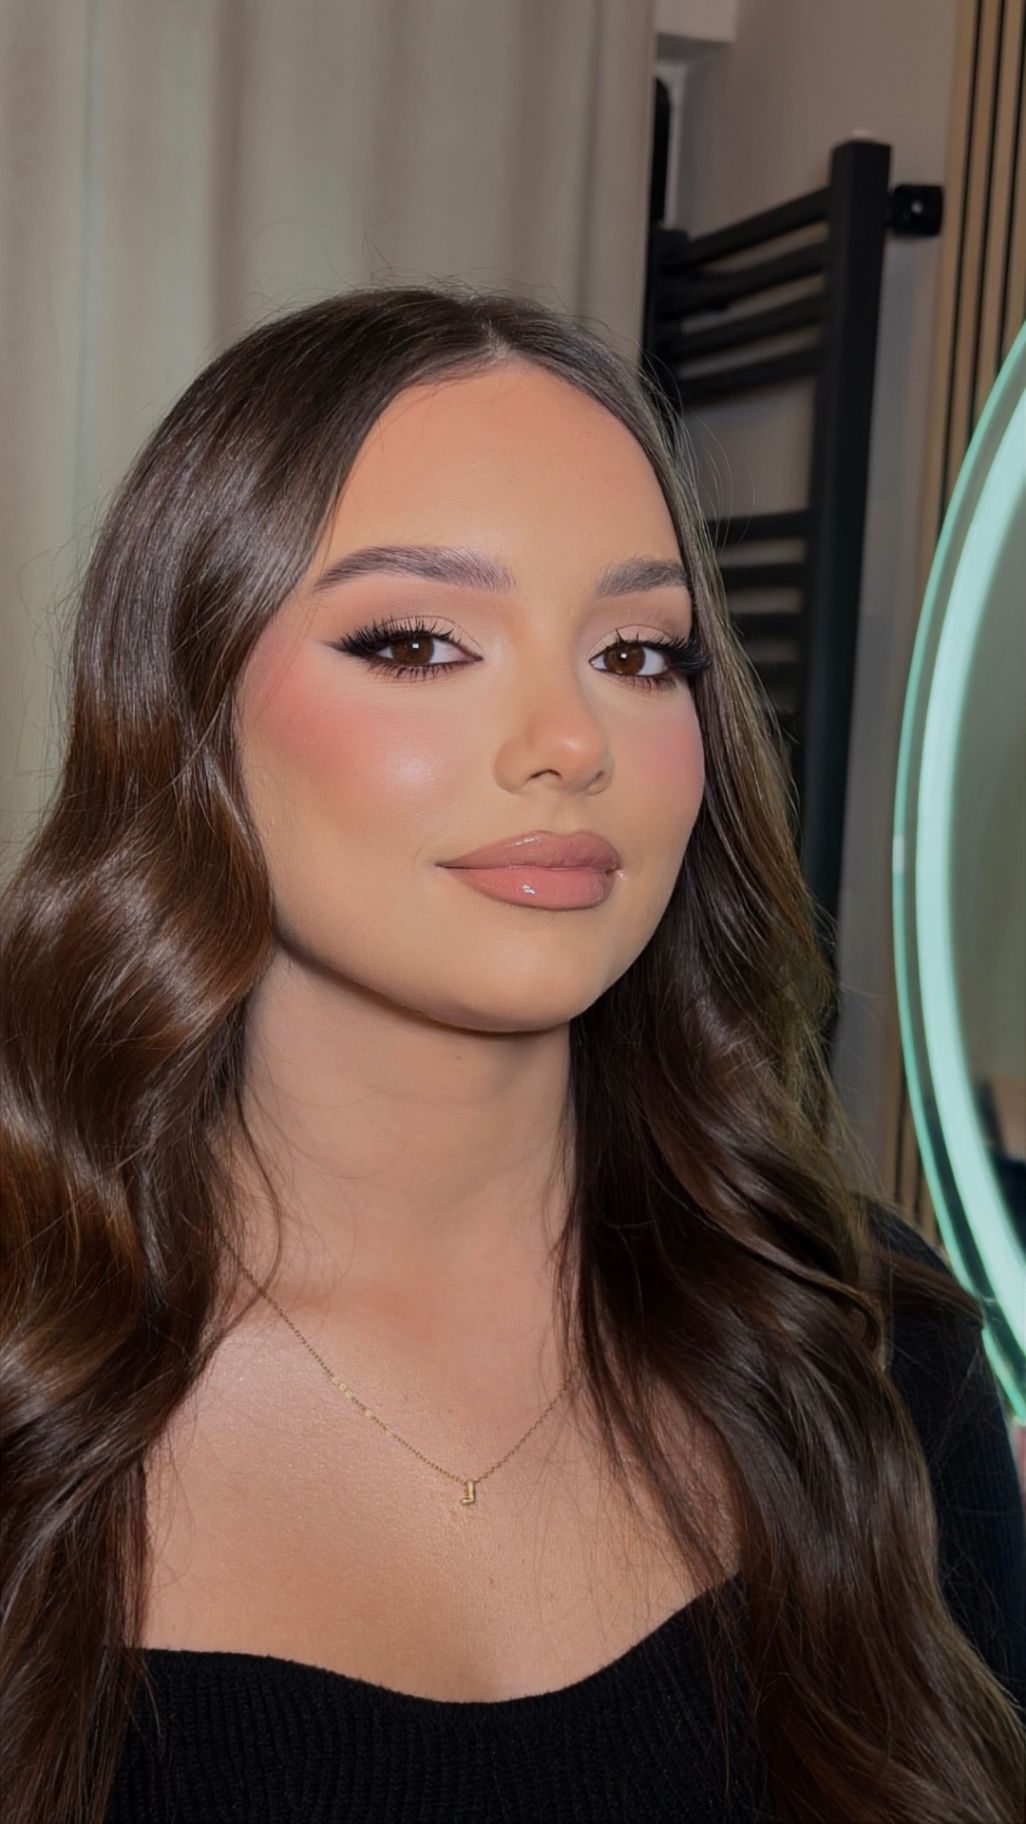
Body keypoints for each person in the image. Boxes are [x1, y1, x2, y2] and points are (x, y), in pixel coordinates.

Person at [1, 283, 1022, 1824]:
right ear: (183, 703)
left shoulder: (860, 1343)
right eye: (417, 642)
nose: (569, 741)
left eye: (637, 653)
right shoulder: (31, 1365)